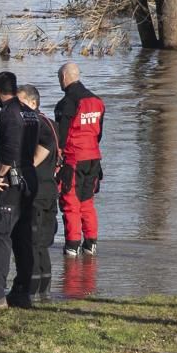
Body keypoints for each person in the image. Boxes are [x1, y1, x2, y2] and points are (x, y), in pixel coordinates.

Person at [0, 71, 39, 310]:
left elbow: (10, 148)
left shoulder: (8, 113)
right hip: (30, 177)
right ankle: (22, 291)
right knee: (23, 236)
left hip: (13, 180)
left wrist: (0, 174)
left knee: (1, 235)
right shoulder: (30, 112)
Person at [54, 62, 105, 257]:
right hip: (93, 158)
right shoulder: (97, 101)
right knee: (87, 202)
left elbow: (62, 135)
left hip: (74, 158)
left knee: (70, 203)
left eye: (60, 78)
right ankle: (90, 244)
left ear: (64, 78)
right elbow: (99, 133)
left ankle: (72, 246)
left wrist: (58, 159)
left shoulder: (67, 103)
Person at [16, 84, 60, 301]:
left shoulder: (35, 123)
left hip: (37, 190)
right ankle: (44, 291)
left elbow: (45, 145)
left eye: (21, 102)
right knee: (42, 242)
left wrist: (29, 163)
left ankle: (31, 291)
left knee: (33, 241)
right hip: (50, 189)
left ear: (33, 103)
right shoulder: (52, 124)